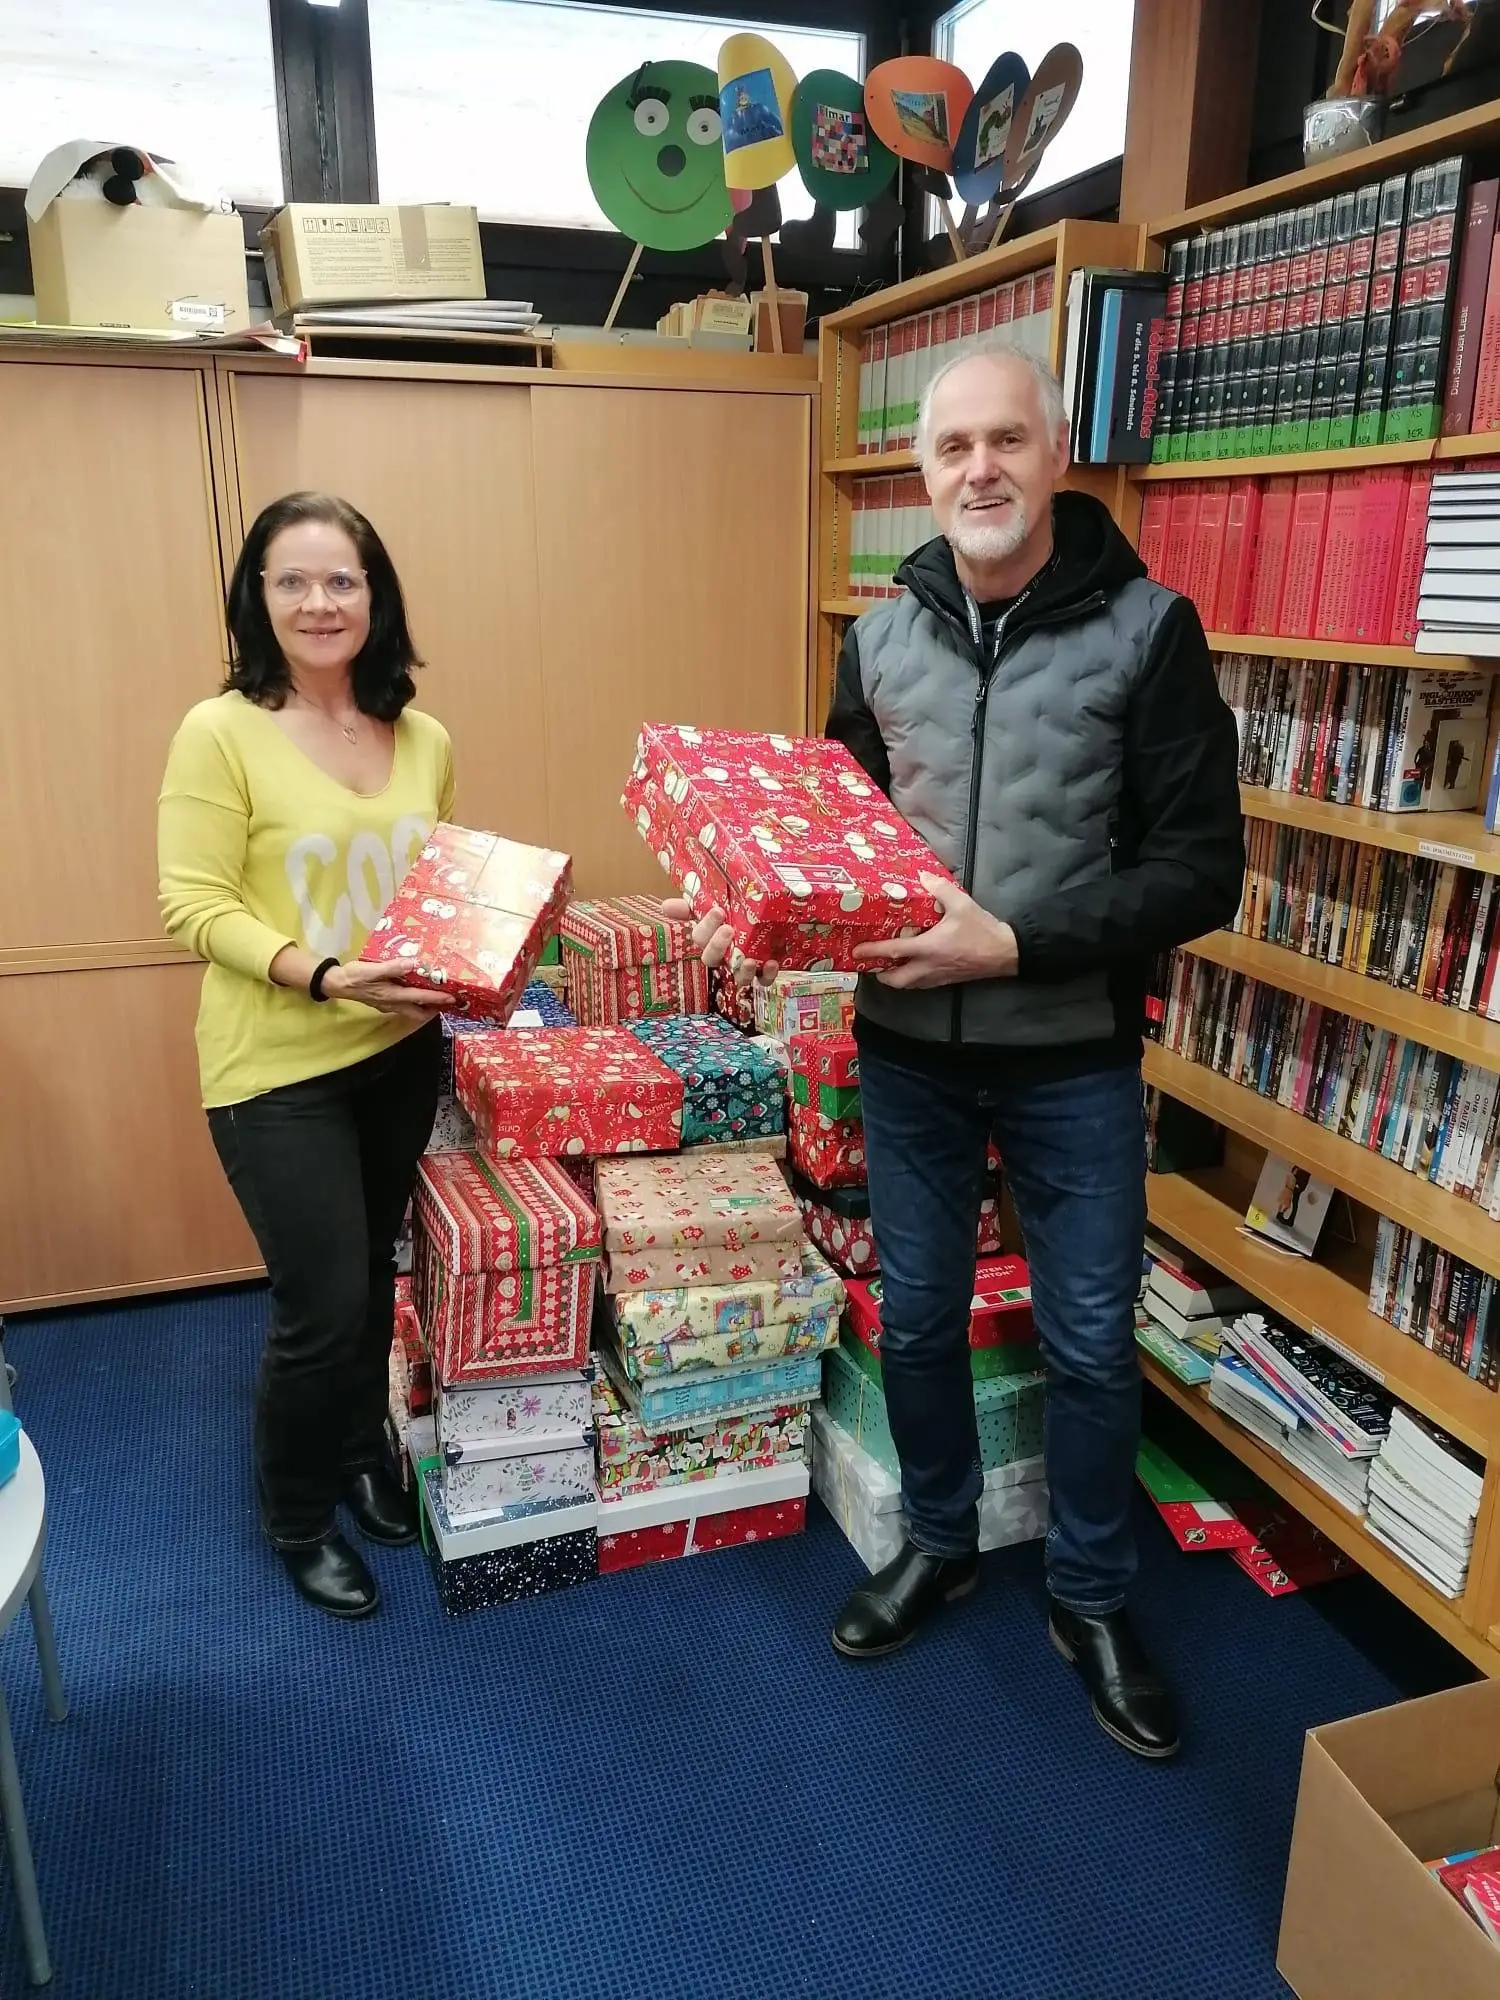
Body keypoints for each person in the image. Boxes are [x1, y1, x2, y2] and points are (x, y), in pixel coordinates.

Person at [675, 337, 1244, 1759]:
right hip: (910, 1055)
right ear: (922, 473)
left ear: (1056, 455)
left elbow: (1200, 873)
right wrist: (743, 902)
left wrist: (1018, 943)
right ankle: (938, 1541)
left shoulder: (1151, 629)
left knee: (1093, 1343)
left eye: (1006, 440)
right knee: (917, 1320)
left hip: (1075, 1059)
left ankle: (1093, 1595)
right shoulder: (877, 641)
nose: (979, 469)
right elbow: (825, 848)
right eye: (951, 449)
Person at [158, 492, 456, 1621]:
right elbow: (189, 901)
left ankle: (358, 1451)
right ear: (260, 597)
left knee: (372, 1273)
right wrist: (323, 973)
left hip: (399, 1051)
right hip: (277, 1065)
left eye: (344, 580)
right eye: (294, 580)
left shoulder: (421, 733)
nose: (321, 602)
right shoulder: (219, 728)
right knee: (321, 1301)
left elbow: (432, 890)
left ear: (376, 598)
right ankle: (294, 1511)